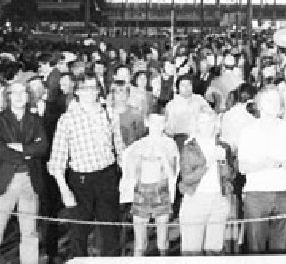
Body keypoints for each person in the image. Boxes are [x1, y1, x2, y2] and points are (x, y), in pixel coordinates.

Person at [47, 73, 125, 258]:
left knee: (111, 229)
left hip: (107, 176)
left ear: (98, 91)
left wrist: (125, 175)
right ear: (77, 92)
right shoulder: (67, 120)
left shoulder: (109, 113)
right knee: (79, 232)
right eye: (84, 88)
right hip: (81, 181)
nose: (89, 92)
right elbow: (57, 160)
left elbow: (119, 147)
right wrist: (65, 190)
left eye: (93, 88)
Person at [237, 87, 286, 254]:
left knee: (281, 246)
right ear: (259, 105)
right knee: (255, 246)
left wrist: (279, 163)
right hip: (257, 195)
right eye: (268, 100)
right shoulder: (248, 131)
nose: (273, 105)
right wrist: (262, 164)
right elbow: (242, 167)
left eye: (276, 101)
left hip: (284, 192)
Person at [0, 79, 49, 264]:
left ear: (28, 97)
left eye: (23, 92)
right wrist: (27, 153)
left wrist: (21, 147)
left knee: (30, 232)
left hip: (30, 180)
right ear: (8, 96)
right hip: (5, 181)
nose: (20, 96)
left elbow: (43, 146)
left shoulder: (35, 120)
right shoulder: (1, 119)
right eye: (15, 92)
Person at [177, 109, 235, 255]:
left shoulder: (223, 146)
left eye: (210, 122)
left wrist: (222, 160)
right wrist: (208, 163)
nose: (207, 126)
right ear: (197, 124)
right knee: (192, 250)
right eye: (202, 122)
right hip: (195, 199)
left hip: (218, 200)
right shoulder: (189, 147)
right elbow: (187, 178)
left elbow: (230, 176)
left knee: (215, 250)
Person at [121, 113, 178, 256]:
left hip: (161, 190)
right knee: (140, 242)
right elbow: (130, 173)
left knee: (163, 240)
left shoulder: (170, 144)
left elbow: (172, 173)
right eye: (154, 123)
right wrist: (140, 158)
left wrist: (162, 156)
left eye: (161, 123)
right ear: (147, 123)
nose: (157, 127)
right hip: (142, 191)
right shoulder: (138, 145)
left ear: (165, 124)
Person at [164, 74, 212, 150]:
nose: (186, 88)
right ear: (178, 88)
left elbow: (210, 116)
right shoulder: (172, 105)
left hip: (199, 138)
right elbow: (168, 129)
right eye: (183, 85)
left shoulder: (199, 99)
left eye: (189, 85)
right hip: (180, 139)